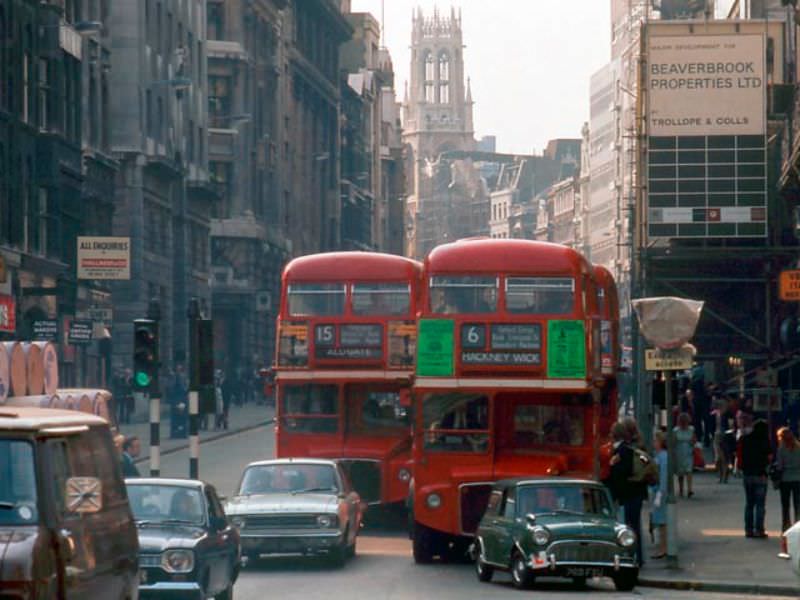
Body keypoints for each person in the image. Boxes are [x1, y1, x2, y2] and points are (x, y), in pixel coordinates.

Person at [603, 421, 648, 566]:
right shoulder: (630, 448)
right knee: (633, 526)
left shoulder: (622, 451)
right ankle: (636, 557)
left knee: (630, 528)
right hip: (635, 494)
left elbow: (622, 474)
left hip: (629, 495)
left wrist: (612, 466)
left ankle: (633, 557)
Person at [738, 416, 771, 538]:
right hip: (761, 474)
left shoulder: (745, 439)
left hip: (748, 474)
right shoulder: (764, 441)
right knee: (760, 504)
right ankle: (759, 529)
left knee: (749, 503)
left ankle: (748, 530)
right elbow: (769, 457)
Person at [776, 426, 800, 532]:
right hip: (798, 479)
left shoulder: (781, 449)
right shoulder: (798, 447)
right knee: (798, 505)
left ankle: (786, 526)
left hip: (785, 479)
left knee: (785, 505)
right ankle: (798, 526)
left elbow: (780, 466)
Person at [649, 431, 668, 559]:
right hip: (656, 491)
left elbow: (663, 476)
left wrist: (661, 493)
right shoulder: (659, 455)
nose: (653, 443)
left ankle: (663, 548)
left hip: (660, 492)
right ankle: (661, 547)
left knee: (662, 522)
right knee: (658, 521)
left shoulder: (663, 456)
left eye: (655, 441)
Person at [674, 412, 696, 498]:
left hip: (688, 451)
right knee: (680, 473)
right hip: (679, 452)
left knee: (689, 470)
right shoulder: (675, 430)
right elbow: (673, 442)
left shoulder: (691, 429)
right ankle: (681, 489)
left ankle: (689, 489)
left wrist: (692, 443)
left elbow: (694, 440)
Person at [168, 365, 188, 439]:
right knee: (175, 417)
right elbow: (170, 387)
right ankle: (175, 433)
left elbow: (185, 387)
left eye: (179, 369)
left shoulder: (183, 377)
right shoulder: (173, 377)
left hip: (182, 399)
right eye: (177, 369)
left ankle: (182, 432)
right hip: (175, 400)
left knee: (182, 416)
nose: (178, 371)